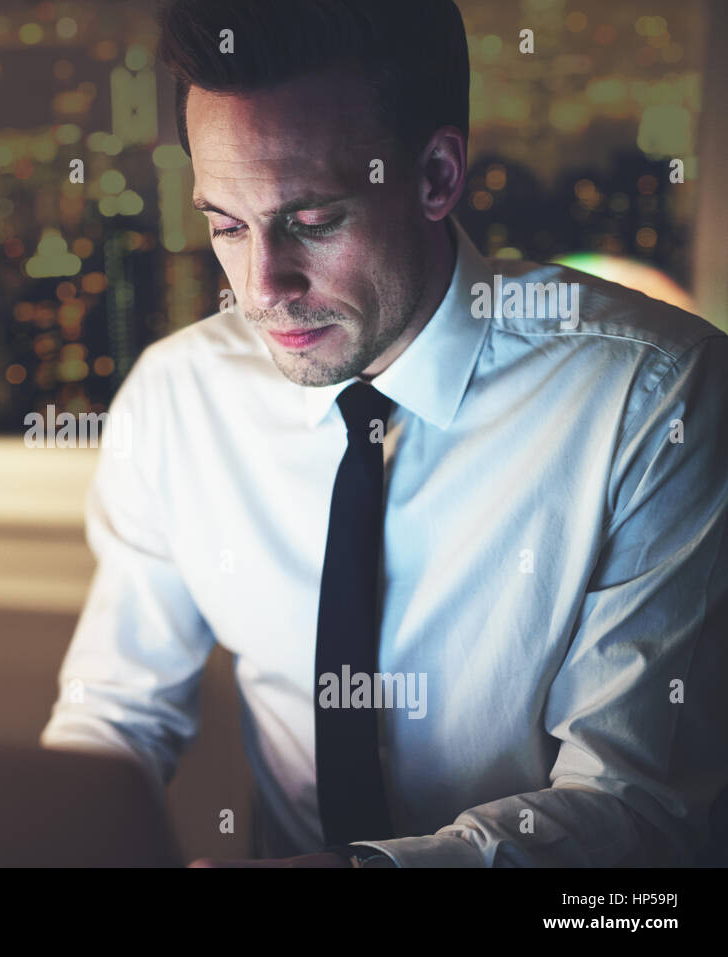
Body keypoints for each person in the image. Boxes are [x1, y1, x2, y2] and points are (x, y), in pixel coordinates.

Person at [40, 0, 728, 867]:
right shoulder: (179, 397)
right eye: (224, 225)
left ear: (437, 175)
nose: (263, 287)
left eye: (313, 220)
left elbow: (637, 812)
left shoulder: (655, 398)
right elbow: (115, 713)